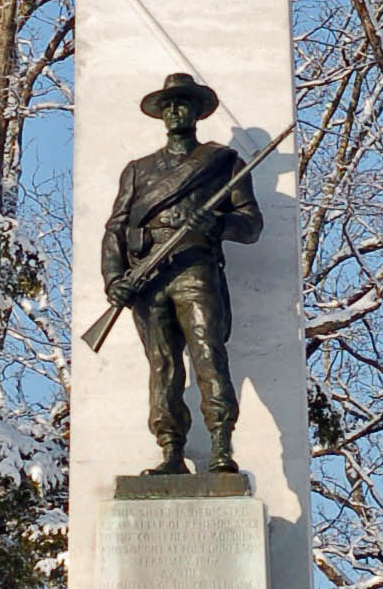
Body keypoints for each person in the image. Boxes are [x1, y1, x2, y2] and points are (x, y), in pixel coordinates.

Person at [102, 71, 263, 475]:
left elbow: (250, 224)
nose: (175, 110)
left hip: (196, 269)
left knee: (209, 355)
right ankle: (171, 449)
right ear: (161, 114)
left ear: (196, 111)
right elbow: (115, 228)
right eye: (169, 104)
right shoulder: (137, 171)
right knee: (162, 364)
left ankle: (221, 444)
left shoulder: (223, 163)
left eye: (183, 103)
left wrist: (216, 225)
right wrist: (115, 279)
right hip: (147, 275)